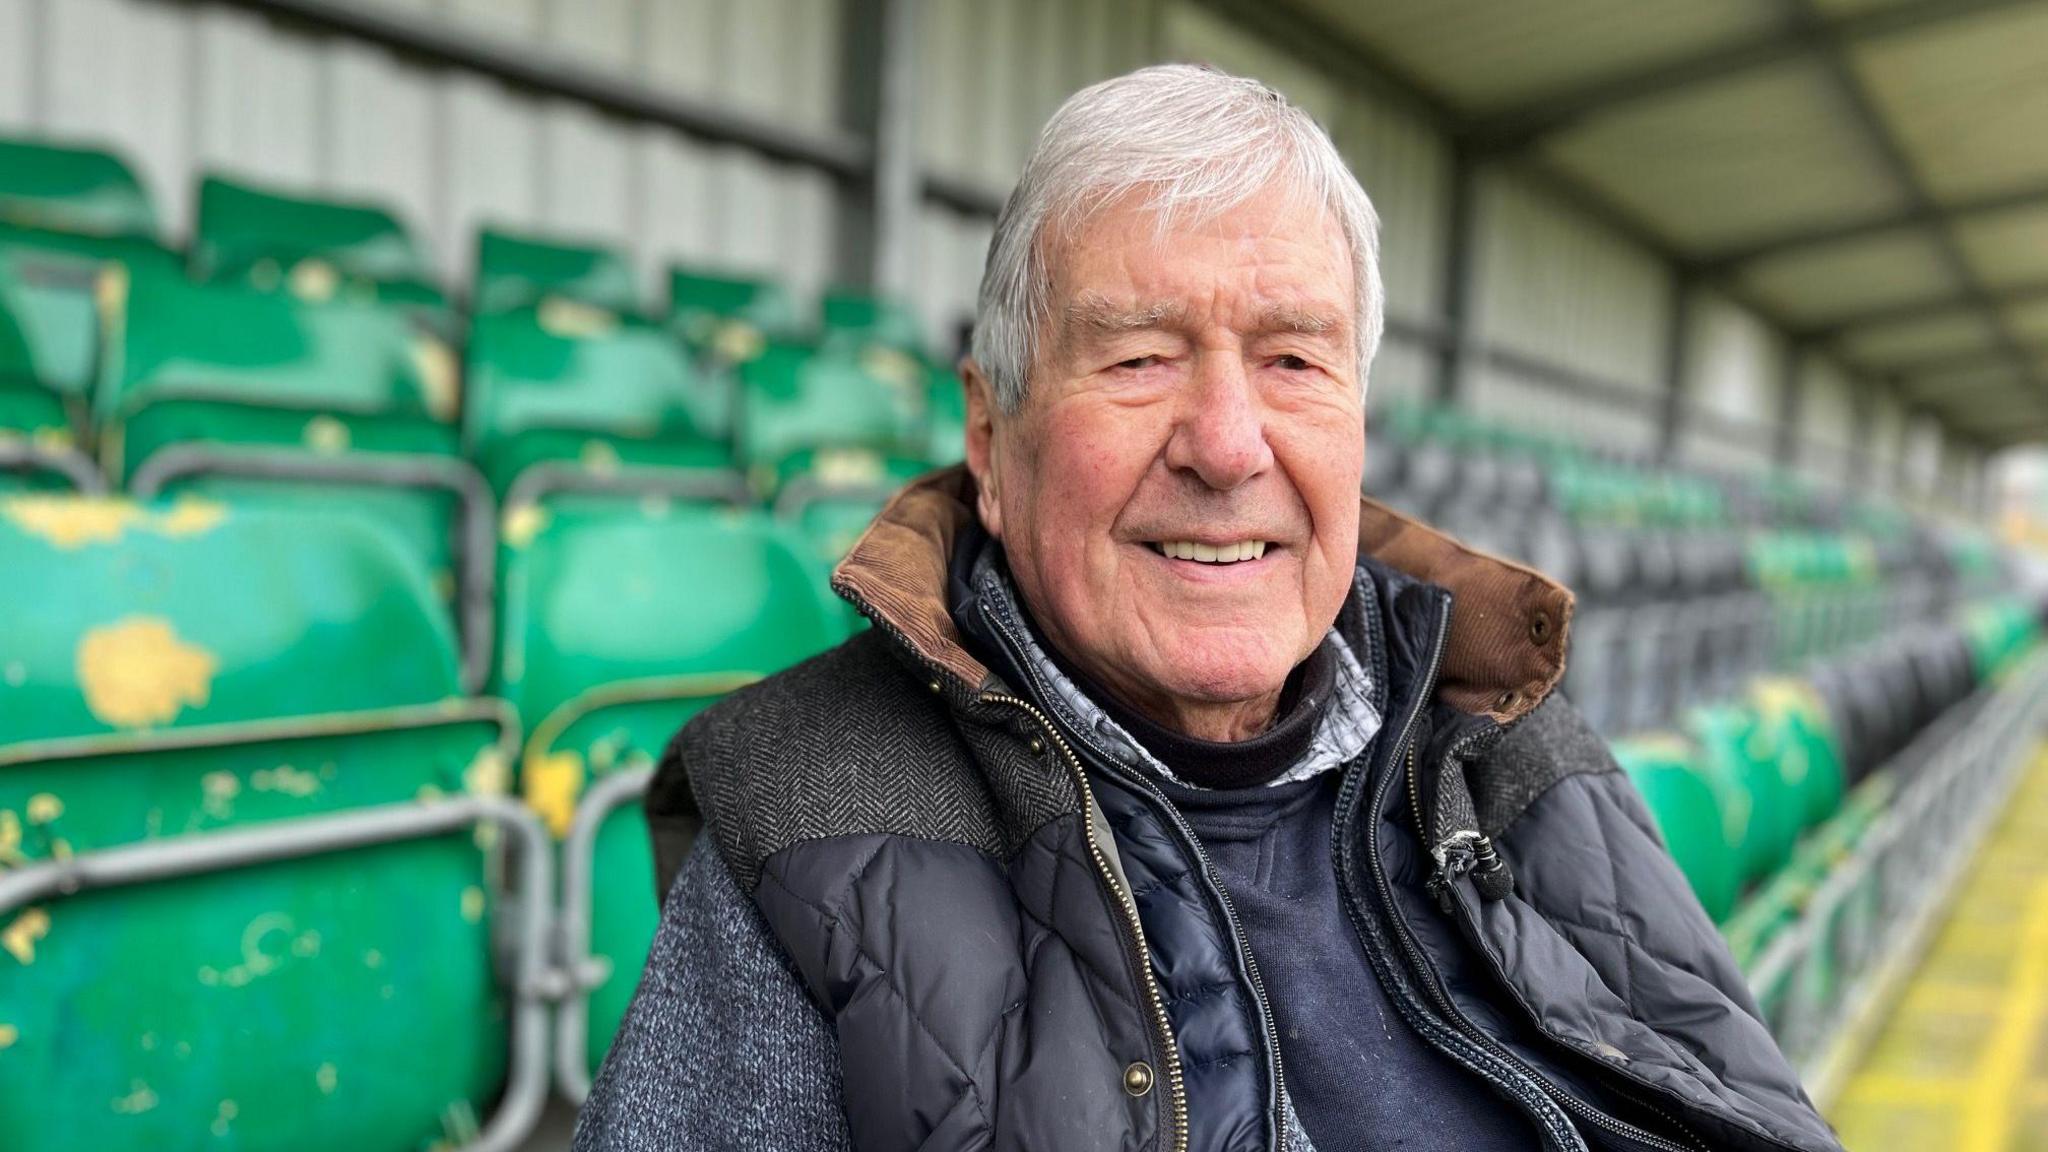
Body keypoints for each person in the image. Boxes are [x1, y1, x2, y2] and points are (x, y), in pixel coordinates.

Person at [573, 63, 1844, 1152]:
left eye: (1293, 359)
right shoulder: (814, 807)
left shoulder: (1504, 735)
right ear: (989, 434)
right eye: (1136, 359)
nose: (1227, 445)